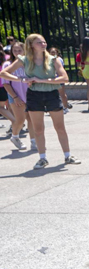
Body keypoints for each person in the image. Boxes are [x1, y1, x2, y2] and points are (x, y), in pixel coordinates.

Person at [0, 34, 81, 169]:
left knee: (60, 127)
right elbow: (3, 73)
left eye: (44, 42)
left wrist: (42, 80)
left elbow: (64, 78)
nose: (43, 44)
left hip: (52, 94)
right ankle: (42, 158)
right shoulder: (24, 60)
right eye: (39, 42)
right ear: (31, 45)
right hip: (34, 95)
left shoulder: (53, 59)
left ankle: (68, 155)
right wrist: (22, 80)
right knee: (38, 129)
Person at [2, 41, 31, 150]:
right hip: (15, 96)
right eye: (15, 51)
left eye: (20, 50)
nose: (17, 53)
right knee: (20, 120)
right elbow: (6, 83)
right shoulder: (8, 64)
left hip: (30, 95)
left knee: (31, 120)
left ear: (24, 50)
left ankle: (34, 142)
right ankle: (15, 137)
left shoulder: (29, 63)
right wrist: (15, 97)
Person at [49, 47, 72, 113]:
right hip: (52, 79)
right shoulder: (49, 60)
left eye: (54, 52)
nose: (52, 54)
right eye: (51, 52)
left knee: (62, 94)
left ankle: (65, 107)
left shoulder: (58, 60)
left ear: (57, 53)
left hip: (59, 79)